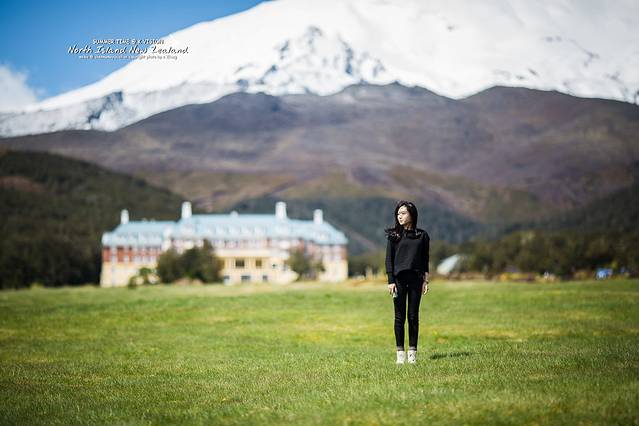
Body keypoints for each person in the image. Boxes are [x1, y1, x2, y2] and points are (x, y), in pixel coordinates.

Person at [384, 200, 430, 364]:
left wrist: (425, 280)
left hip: (416, 280)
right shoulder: (394, 236)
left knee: (413, 316)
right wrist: (391, 281)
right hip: (398, 281)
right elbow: (388, 260)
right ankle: (400, 355)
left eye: (403, 213)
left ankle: (412, 355)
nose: (400, 216)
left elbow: (424, 260)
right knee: (399, 317)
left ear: (412, 215)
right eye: (398, 214)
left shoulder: (422, 236)